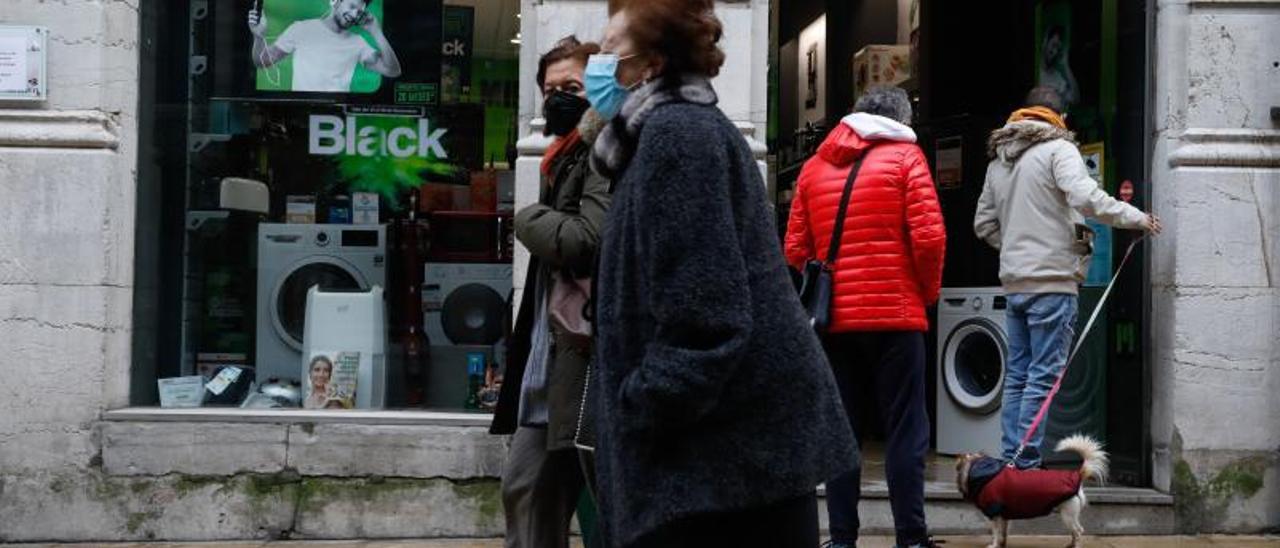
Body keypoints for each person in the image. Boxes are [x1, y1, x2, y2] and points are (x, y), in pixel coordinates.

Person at [587, 2, 855, 546]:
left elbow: (707, 320)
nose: (598, 61)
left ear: (652, 62)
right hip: (722, 464)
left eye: (611, 48)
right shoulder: (662, 135)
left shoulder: (678, 136)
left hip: (724, 469)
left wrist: (639, 407)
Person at [784, 85, 946, 548]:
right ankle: (911, 538)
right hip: (896, 316)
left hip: (834, 320)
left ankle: (840, 539)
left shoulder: (815, 167)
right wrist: (926, 293)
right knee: (905, 430)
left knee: (842, 432)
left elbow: (794, 248)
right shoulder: (906, 160)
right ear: (901, 117)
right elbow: (930, 238)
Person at [974, 87, 1162, 469]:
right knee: (1042, 378)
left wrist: (1016, 248)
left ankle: (1012, 457)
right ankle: (1024, 462)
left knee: (1018, 376)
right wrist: (1136, 218)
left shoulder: (998, 162)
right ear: (1061, 118)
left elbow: (983, 224)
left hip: (1015, 283)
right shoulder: (1059, 150)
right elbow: (1086, 197)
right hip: (1052, 284)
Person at [489, 36, 612, 548]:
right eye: (550, 89)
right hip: (554, 363)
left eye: (572, 86)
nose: (558, 97)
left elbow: (588, 240)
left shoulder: (603, 151)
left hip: (585, 362)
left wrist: (527, 217)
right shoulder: (562, 157)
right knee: (526, 491)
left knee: (582, 504)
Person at [248, 0, 402, 92]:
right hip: (301, 107)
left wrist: (376, 32)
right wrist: (258, 36)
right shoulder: (302, 28)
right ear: (335, 2)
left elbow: (392, 70)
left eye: (360, 12)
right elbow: (262, 62)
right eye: (352, 7)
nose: (355, 15)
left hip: (337, 111)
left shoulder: (358, 42)